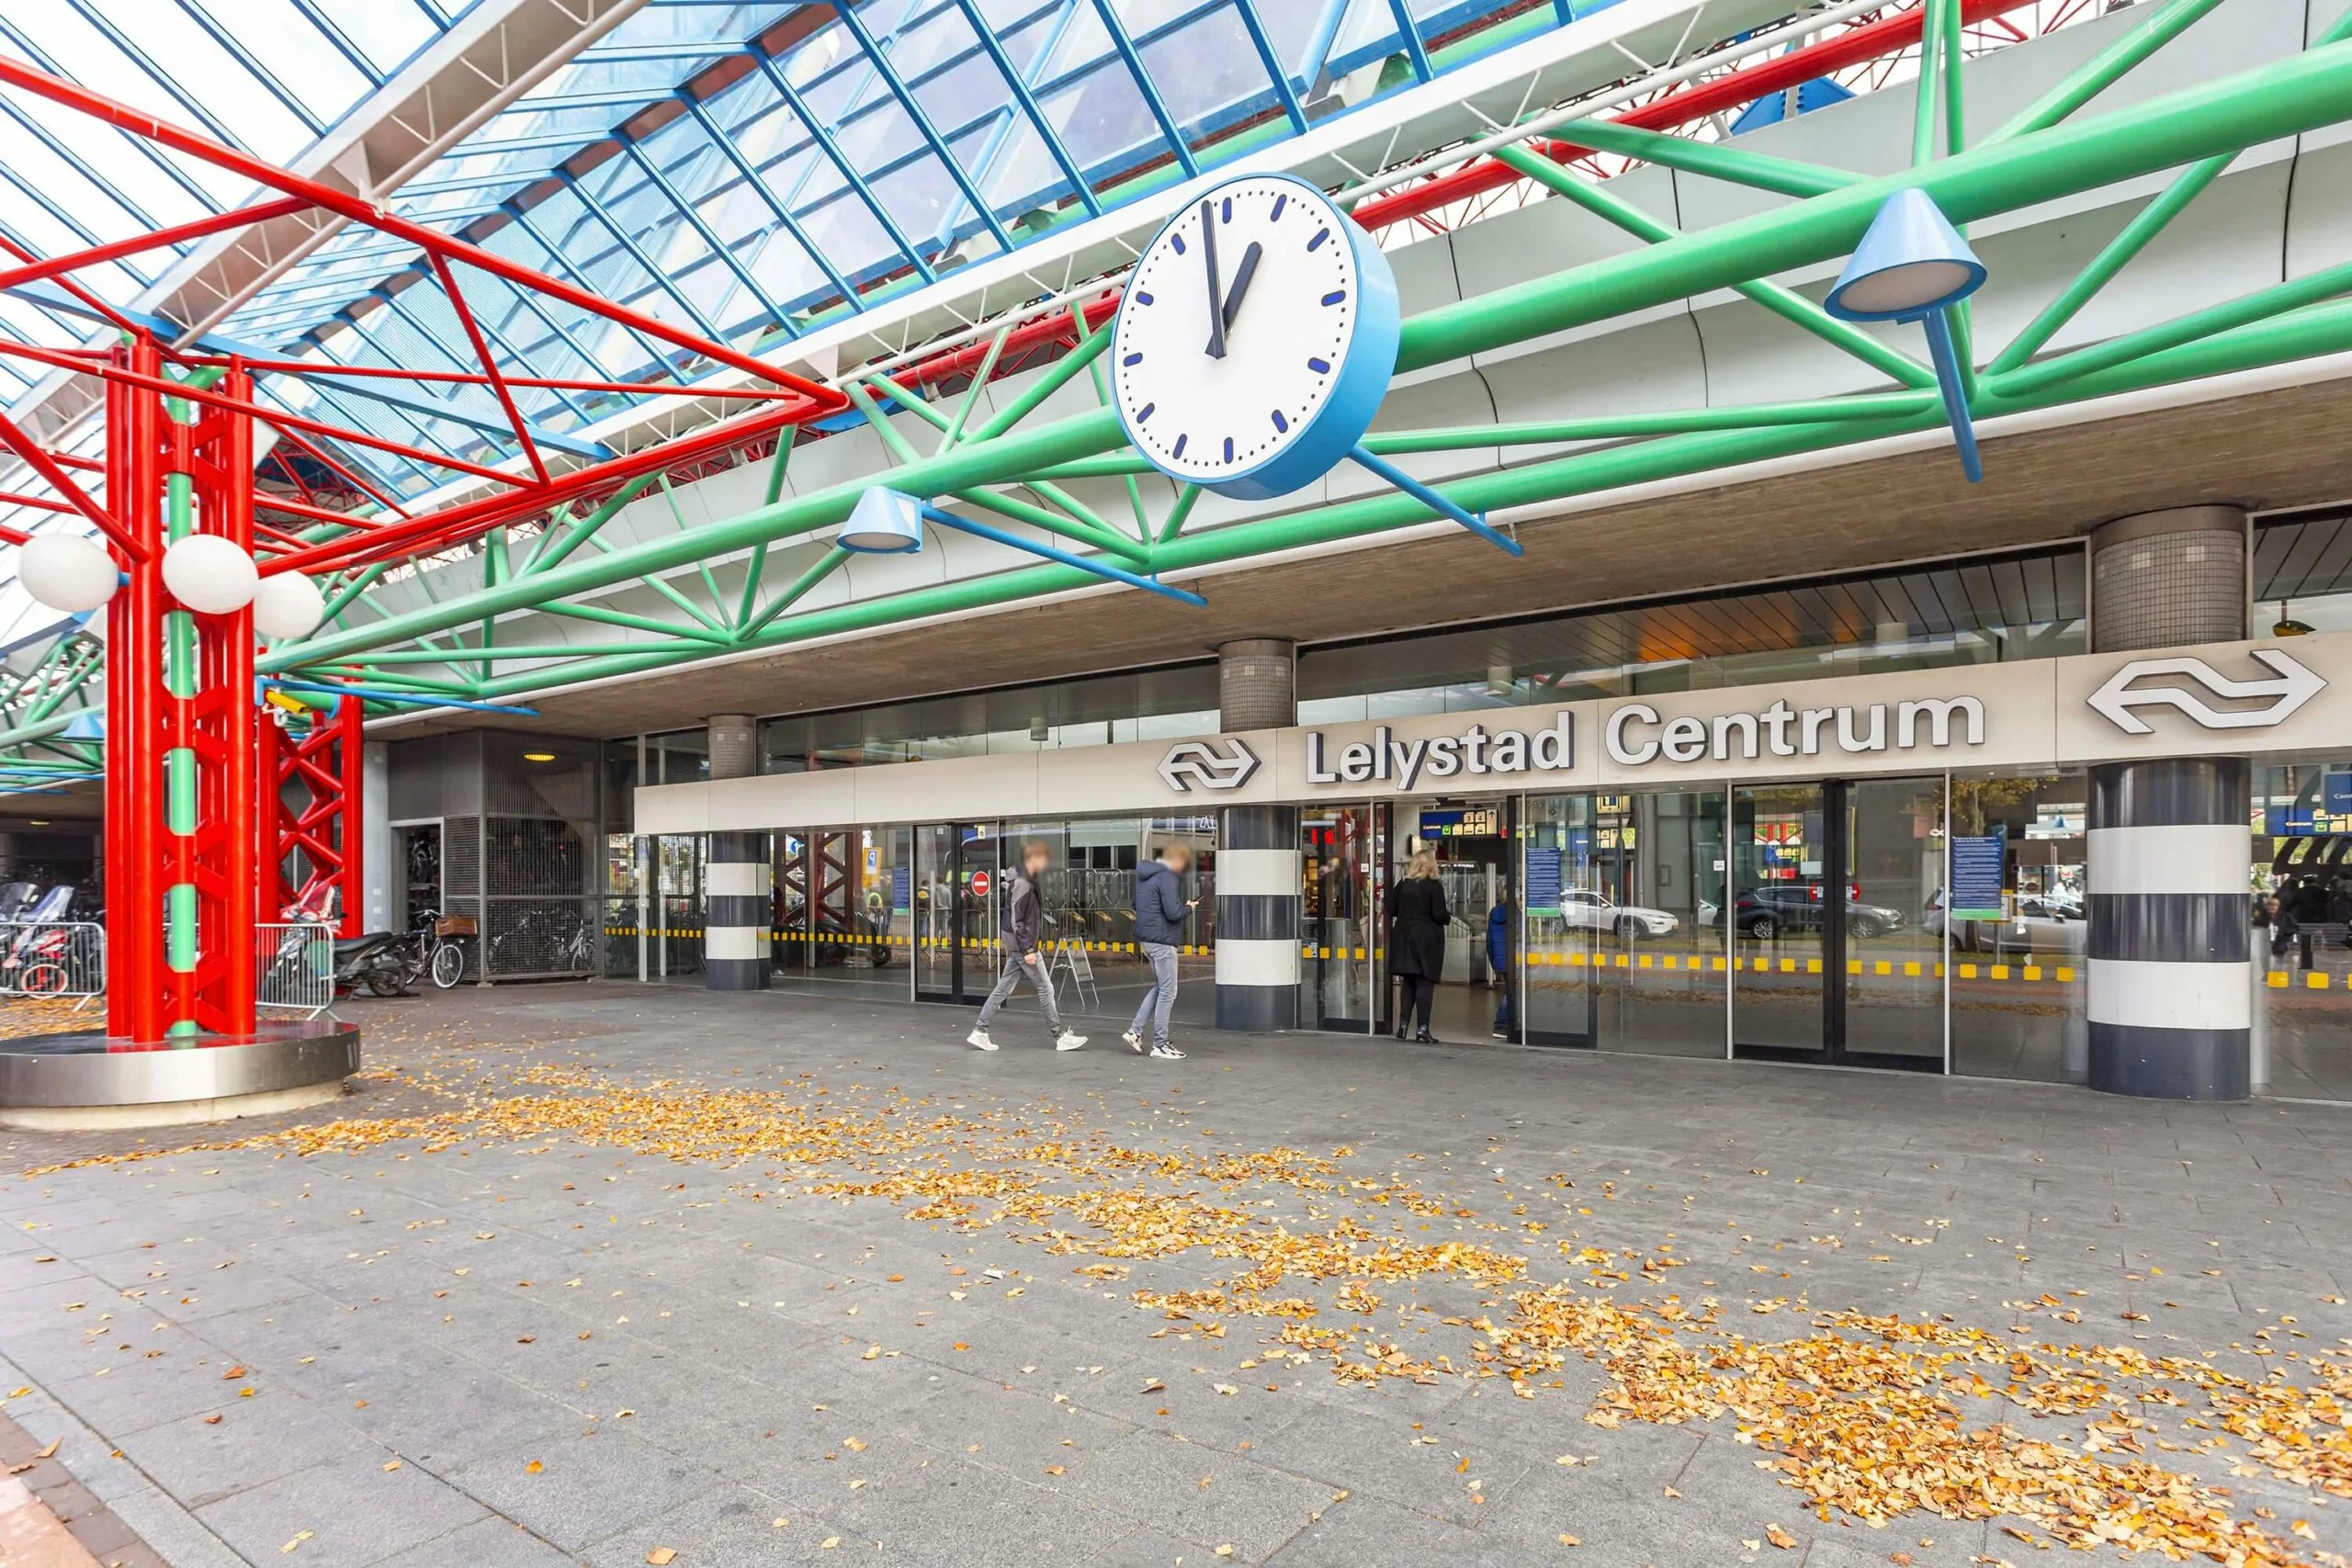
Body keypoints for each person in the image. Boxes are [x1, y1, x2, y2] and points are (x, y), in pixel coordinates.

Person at [968, 840, 1086, 1054]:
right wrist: (1028, 950)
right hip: (1023, 945)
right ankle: (1059, 1036)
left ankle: (980, 1030)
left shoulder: (1024, 881)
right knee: (1045, 987)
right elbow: (1017, 920)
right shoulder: (1023, 883)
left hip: (1018, 945)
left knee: (1003, 988)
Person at [1123, 840, 1196, 1060]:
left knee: (1161, 987)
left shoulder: (1146, 876)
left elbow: (1137, 904)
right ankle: (1160, 1044)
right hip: (1163, 941)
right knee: (1168, 992)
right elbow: (1174, 912)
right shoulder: (1168, 877)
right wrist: (1189, 908)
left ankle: (1135, 1031)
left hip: (1148, 941)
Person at [1388, 849, 1449, 1043]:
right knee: (1425, 981)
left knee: (1408, 981)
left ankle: (1403, 1025)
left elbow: (1390, 908)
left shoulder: (1403, 885)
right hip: (1426, 940)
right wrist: (1447, 917)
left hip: (1404, 937)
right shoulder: (1434, 886)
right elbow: (1439, 914)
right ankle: (1422, 1028)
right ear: (1432, 865)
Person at [1487, 893, 1513, 1042]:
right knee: (1511, 991)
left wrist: (1493, 962)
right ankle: (1501, 1024)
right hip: (1513, 959)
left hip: (1501, 960)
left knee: (1510, 990)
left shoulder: (1495, 914)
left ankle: (1507, 1023)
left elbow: (1489, 942)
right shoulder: (1515, 916)